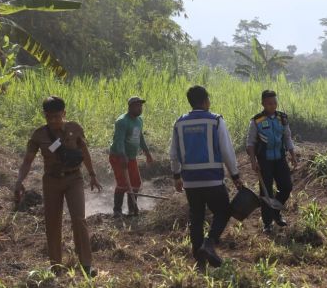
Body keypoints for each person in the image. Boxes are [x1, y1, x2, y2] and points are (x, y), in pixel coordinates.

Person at [13, 96, 102, 276]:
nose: (53, 120)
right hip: (51, 182)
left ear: (64, 113)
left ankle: (86, 264)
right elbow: (27, 161)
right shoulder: (39, 135)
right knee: (52, 222)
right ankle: (55, 265)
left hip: (74, 179)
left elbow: (84, 151)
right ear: (44, 115)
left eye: (57, 116)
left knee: (79, 219)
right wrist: (19, 180)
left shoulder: (75, 128)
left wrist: (92, 175)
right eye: (49, 117)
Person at [170, 85, 244, 268]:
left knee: (196, 216)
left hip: (190, 181)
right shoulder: (216, 121)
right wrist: (235, 175)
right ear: (205, 101)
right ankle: (210, 244)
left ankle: (199, 259)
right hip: (212, 179)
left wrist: (176, 176)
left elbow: (173, 153)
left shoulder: (180, 123)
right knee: (223, 211)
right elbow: (227, 151)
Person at [246, 90, 298, 233]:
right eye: (269, 103)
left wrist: (292, 155)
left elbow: (287, 138)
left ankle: (275, 211)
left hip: (280, 159)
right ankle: (267, 223)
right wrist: (253, 161)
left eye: (274, 103)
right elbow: (250, 143)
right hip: (264, 161)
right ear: (263, 104)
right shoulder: (257, 120)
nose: (272, 106)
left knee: (287, 187)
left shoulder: (282, 118)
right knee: (266, 193)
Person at [109, 96, 153, 217]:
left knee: (136, 183)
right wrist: (122, 155)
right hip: (118, 156)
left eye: (141, 106)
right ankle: (117, 210)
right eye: (137, 106)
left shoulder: (139, 120)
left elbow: (140, 137)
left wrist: (147, 153)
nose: (140, 108)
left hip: (131, 157)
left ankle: (132, 209)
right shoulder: (122, 121)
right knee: (123, 183)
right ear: (130, 107)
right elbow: (119, 140)